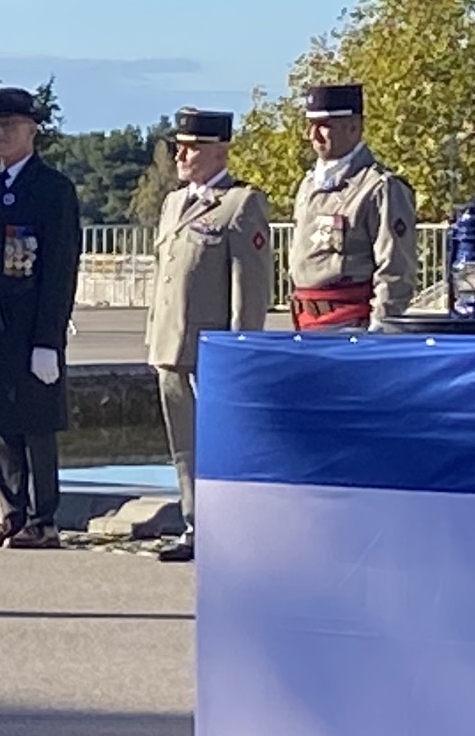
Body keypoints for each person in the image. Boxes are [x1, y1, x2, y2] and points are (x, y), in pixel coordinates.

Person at [141, 109, 271, 560]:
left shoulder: (240, 203)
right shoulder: (175, 203)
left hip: (211, 350)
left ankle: (226, 528)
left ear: (220, 150)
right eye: (179, 145)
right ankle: (195, 523)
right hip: (170, 346)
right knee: (184, 446)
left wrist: (240, 352)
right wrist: (153, 338)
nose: (181, 154)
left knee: (218, 444)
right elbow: (166, 277)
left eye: (192, 147)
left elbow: (249, 289)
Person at [0, 87, 81, 547]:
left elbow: (61, 268)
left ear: (32, 131)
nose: (0, 135)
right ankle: (11, 510)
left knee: (36, 423)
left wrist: (48, 339)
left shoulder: (53, 190)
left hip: (31, 323)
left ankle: (43, 518)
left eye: (10, 126)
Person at [285, 85, 416, 330]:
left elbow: (395, 269)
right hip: (305, 321)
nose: (313, 135)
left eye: (324, 125)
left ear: (354, 127)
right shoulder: (308, 184)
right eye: (310, 125)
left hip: (350, 323)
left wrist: (381, 330)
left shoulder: (379, 187)